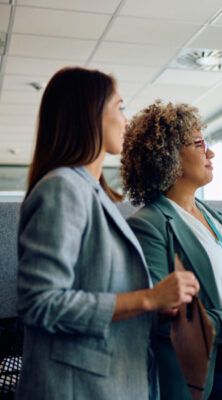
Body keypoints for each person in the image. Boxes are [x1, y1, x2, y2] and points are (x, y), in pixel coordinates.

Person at [16, 67, 199, 400]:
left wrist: (153, 307)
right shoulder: (62, 188)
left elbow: (97, 287)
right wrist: (148, 298)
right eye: (120, 106)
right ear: (90, 114)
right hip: (76, 387)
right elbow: (41, 303)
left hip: (112, 380)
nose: (126, 120)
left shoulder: (92, 194)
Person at [121, 101, 222, 400]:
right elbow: (158, 314)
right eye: (199, 143)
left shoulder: (214, 217)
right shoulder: (149, 224)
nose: (210, 152)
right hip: (200, 374)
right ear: (168, 156)